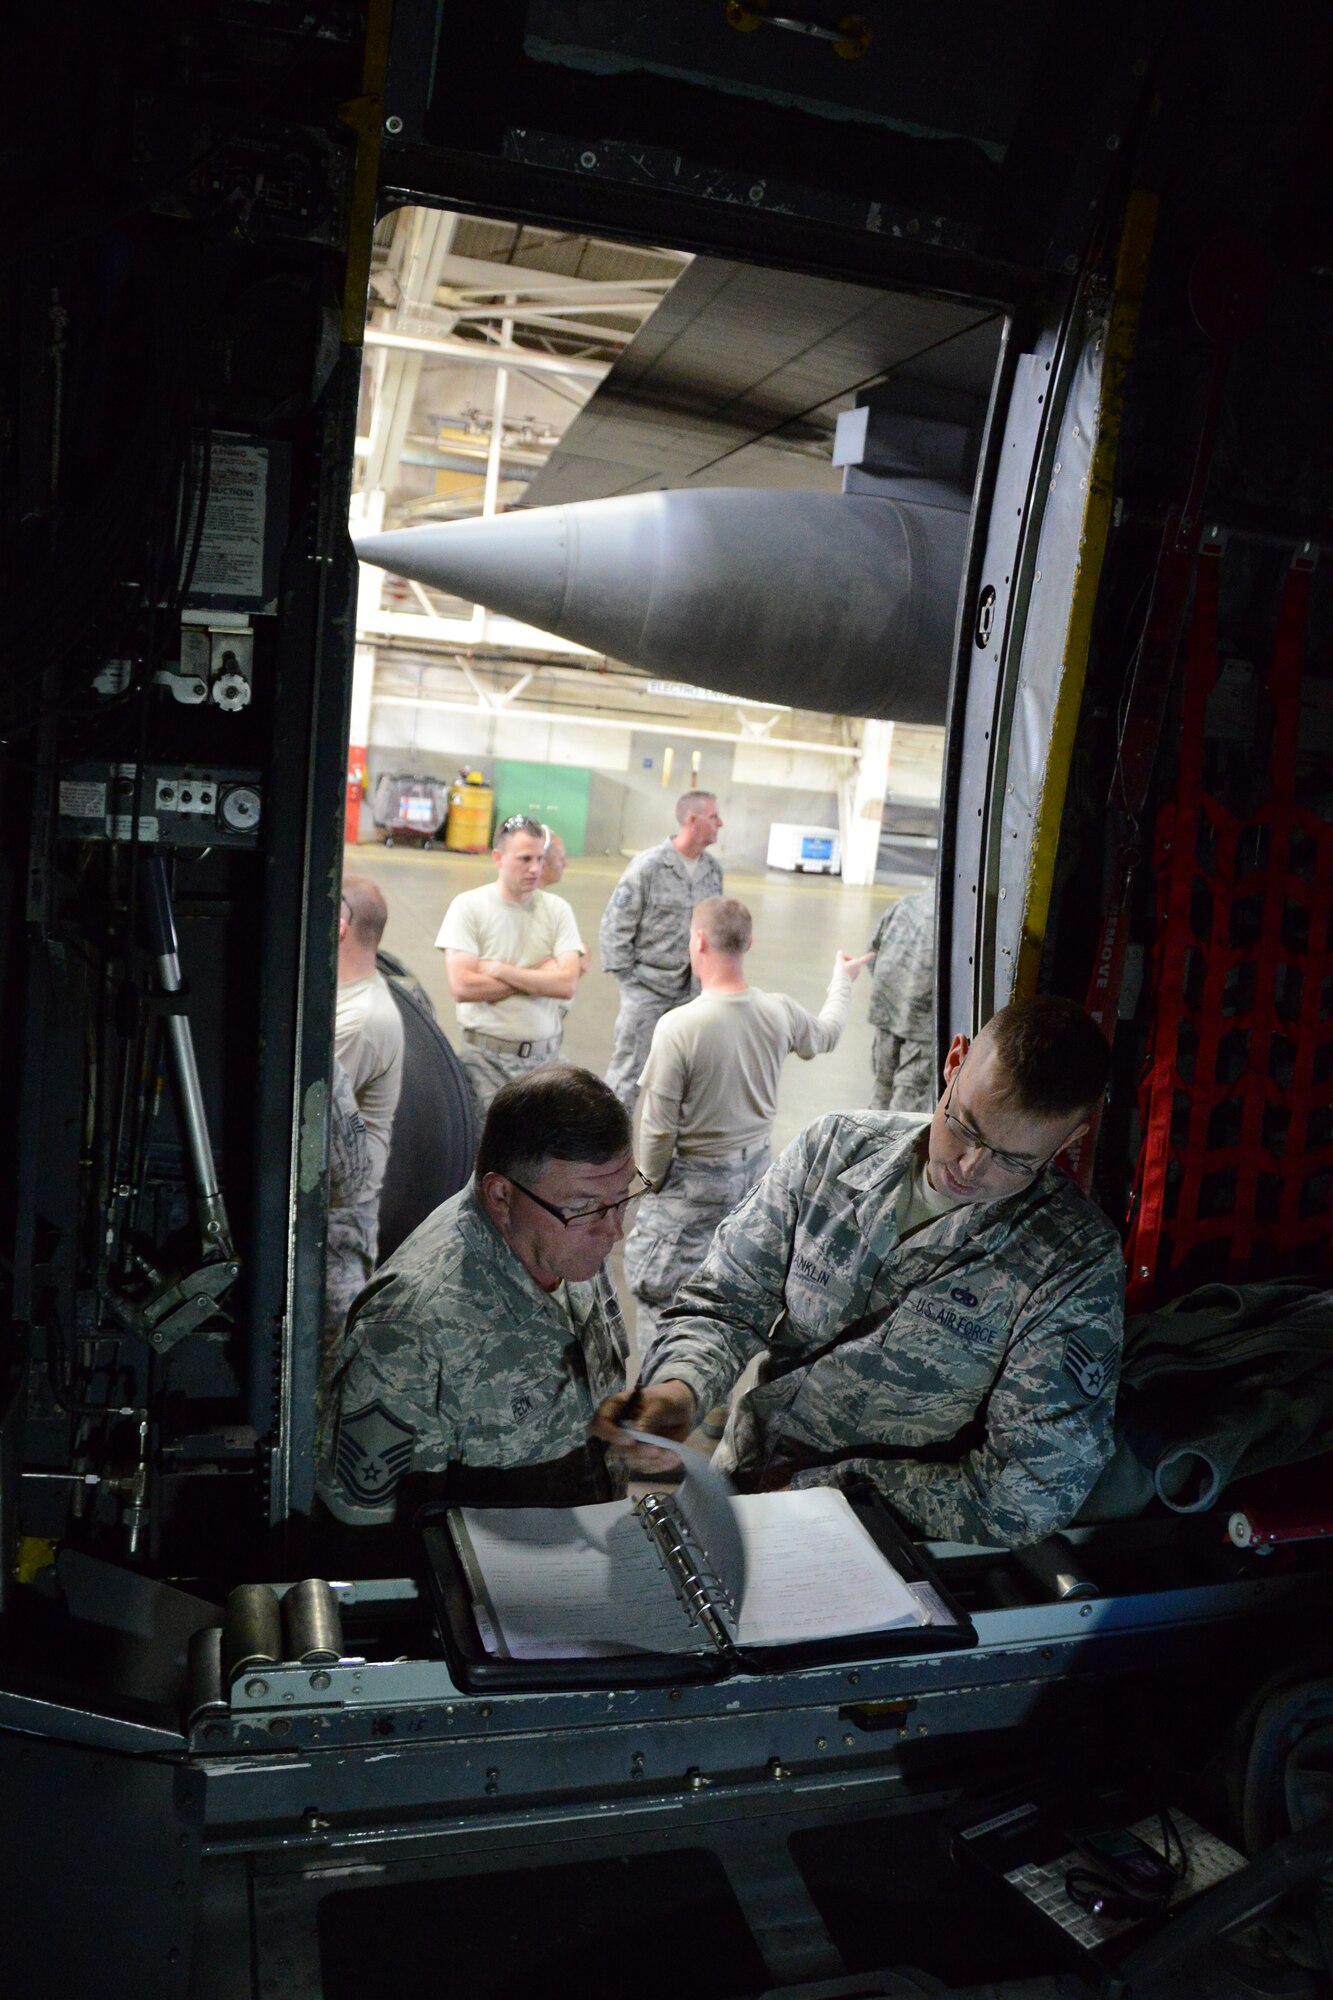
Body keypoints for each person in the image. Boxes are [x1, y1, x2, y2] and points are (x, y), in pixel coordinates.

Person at [595, 995, 1123, 1549]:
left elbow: (1028, 1493)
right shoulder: (836, 1151)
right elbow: (726, 1300)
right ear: (954, 1061)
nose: (971, 1167)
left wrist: (833, 1489)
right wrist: (680, 1389)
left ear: (1068, 1141)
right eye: (965, 1127)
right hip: (739, 1495)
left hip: (880, 1546)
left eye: (1014, 1160)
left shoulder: (1071, 1263)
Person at [319, 1065, 643, 1528]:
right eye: (586, 1208)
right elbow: (365, 1536)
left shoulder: (568, 1236)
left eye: (624, 1196)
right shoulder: (410, 1330)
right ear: (500, 1195)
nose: (615, 1230)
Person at [625, 897, 872, 1361]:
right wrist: (842, 981)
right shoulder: (777, 1011)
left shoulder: (678, 1027)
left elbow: (657, 1130)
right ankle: (715, 1392)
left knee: (659, 1290)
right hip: (757, 1176)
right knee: (729, 1287)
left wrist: (647, 1185)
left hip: (692, 1185)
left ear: (698, 940)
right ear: (749, 942)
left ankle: (659, 1396)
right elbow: (828, 1033)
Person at [436, 814, 585, 1126]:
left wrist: (498, 970)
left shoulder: (557, 910)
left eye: (540, 859)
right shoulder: (469, 907)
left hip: (545, 1061)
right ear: (498, 858)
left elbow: (567, 983)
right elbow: (464, 987)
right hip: (485, 1063)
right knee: (487, 1160)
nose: (535, 868)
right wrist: (541, 975)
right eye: (525, 859)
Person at [599, 790, 724, 1113]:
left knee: (686, 1080)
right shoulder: (650, 866)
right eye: (713, 817)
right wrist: (631, 983)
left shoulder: (712, 871)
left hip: (692, 994)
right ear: (691, 820)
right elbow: (615, 925)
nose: (720, 824)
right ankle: (609, 1156)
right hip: (647, 990)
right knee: (626, 1076)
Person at [335, 874, 405, 1244]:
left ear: (340, 929)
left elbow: (303, 1110)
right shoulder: (345, 994)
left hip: (339, 1219)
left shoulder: (361, 1021)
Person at [867, 889, 935, 1111]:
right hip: (921, 1027)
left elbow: (872, 954)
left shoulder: (905, 904)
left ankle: (870, 1141)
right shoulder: (958, 916)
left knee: (881, 1089)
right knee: (907, 1104)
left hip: (886, 1015)